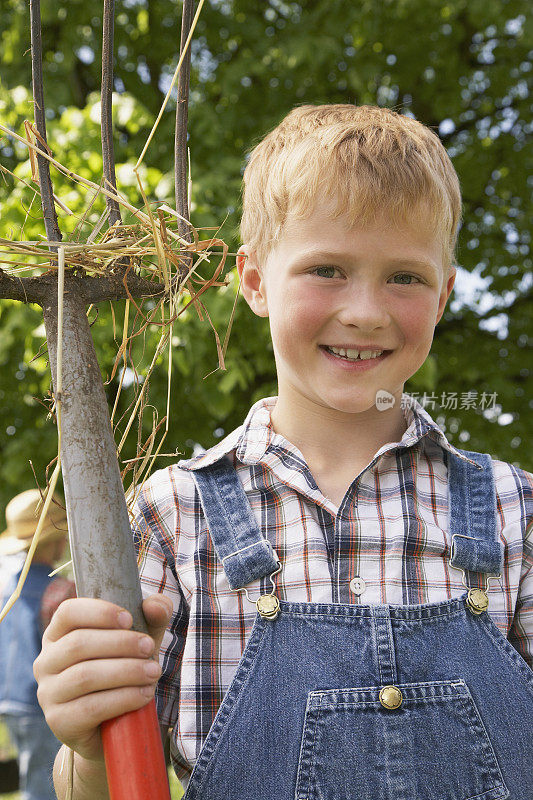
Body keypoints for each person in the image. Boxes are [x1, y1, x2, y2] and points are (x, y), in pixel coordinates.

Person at [34, 105, 532, 800]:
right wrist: (88, 750)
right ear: (254, 280)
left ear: (444, 294)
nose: (364, 310)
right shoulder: (169, 519)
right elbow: (98, 784)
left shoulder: (515, 511)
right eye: (326, 269)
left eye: (405, 278)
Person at [0, 489, 75, 800]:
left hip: (9, 699)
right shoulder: (60, 591)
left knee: (35, 777)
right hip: (42, 704)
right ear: (55, 540)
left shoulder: (8, 588)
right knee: (46, 786)